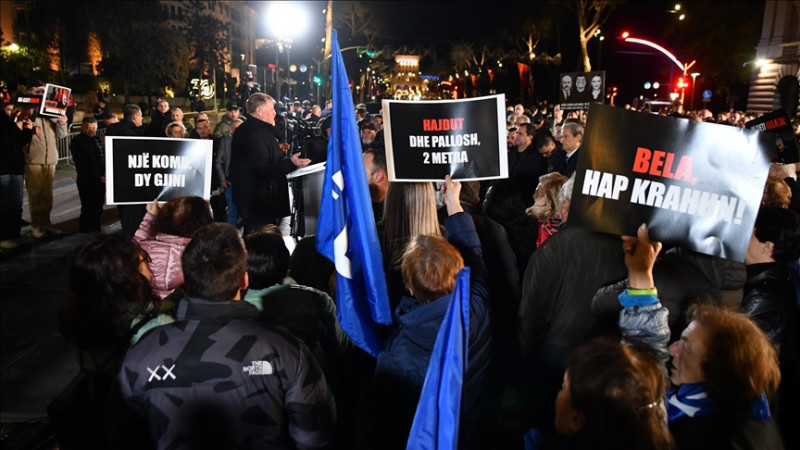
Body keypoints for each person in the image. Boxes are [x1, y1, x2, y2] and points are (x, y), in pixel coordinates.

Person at [115, 223, 336, 449]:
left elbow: (124, 435)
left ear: (186, 282)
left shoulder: (142, 352)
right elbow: (314, 436)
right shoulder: (286, 350)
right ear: (244, 280)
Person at [372, 175, 492, 448]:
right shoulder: (477, 306)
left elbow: (387, 420)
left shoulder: (397, 354)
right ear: (460, 271)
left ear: (410, 288)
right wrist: (453, 203)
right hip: (471, 424)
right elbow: (475, 256)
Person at [50, 233, 171, 449]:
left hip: (95, 426)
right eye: (143, 259)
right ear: (127, 275)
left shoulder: (84, 321)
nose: (148, 262)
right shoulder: (156, 327)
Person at [229, 93, 311, 235]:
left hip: (254, 202)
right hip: (260, 204)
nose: (274, 112)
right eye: (272, 108)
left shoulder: (248, 130)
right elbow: (261, 169)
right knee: (261, 245)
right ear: (259, 111)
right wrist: (291, 163)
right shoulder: (257, 133)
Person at [133, 197, 214, 299]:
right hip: (181, 309)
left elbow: (134, 244)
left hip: (146, 305)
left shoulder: (141, 248)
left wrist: (150, 216)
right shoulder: (198, 257)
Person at [23, 79, 68, 238]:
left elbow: (61, 135)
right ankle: (36, 225)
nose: (42, 94)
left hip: (51, 159)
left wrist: (62, 122)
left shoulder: (50, 108)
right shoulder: (24, 107)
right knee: (35, 194)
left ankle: (46, 223)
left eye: (44, 91)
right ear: (29, 91)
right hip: (33, 158)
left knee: (47, 195)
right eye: (38, 91)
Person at [105, 104, 146, 238]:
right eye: (140, 116)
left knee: (122, 208)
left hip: (117, 176)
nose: (142, 119)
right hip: (130, 176)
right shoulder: (132, 133)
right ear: (135, 117)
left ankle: (125, 232)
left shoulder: (113, 130)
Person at [1, 103, 33, 249]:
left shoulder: (15, 123)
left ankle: (15, 234)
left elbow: (19, 142)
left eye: (14, 110)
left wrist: (28, 131)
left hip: (16, 168)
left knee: (16, 203)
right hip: (3, 170)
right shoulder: (5, 124)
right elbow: (4, 142)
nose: (12, 112)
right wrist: (15, 129)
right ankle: (4, 236)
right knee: (4, 205)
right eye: (9, 109)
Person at [69, 117, 105, 233]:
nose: (91, 130)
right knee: (87, 206)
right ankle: (85, 231)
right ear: (82, 127)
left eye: (93, 128)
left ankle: (96, 228)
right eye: (88, 127)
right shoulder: (77, 141)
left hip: (100, 179)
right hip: (87, 179)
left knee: (98, 206)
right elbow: (86, 161)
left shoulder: (98, 140)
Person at [214, 117, 244, 227]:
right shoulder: (225, 142)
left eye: (240, 128)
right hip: (230, 183)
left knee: (247, 213)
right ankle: (232, 240)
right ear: (231, 129)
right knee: (233, 212)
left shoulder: (250, 141)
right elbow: (218, 162)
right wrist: (222, 180)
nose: (237, 131)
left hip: (246, 184)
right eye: (235, 128)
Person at [526, 172, 568, 249]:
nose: (533, 196)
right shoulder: (573, 224)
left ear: (548, 199)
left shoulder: (542, 227)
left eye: (537, 192)